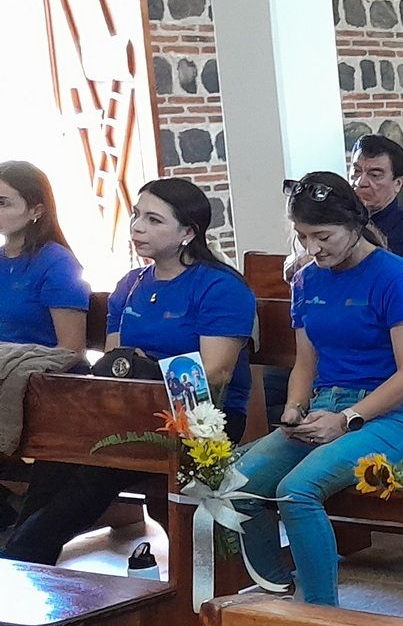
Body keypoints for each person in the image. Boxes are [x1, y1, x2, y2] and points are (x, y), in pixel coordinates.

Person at [4, 179, 255, 564]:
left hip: (199, 417)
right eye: (137, 216)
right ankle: (24, 554)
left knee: (101, 462)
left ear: (188, 232)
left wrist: (147, 370)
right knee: (60, 449)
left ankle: (24, 554)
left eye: (154, 220)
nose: (137, 227)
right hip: (128, 411)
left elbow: (216, 373)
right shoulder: (131, 284)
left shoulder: (220, 287)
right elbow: (115, 363)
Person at [235, 173, 403, 606]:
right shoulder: (307, 280)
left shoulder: (395, 277)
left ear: (355, 224)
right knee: (237, 485)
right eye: (303, 236)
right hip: (324, 409)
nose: (312, 248)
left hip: (391, 416)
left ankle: (321, 612)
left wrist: (346, 419)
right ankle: (278, 589)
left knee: (296, 490)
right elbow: (306, 363)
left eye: (322, 236)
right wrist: (294, 409)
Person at [0, 162, 88, 351]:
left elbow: (72, 350)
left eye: (2, 203)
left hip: (35, 367)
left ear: (36, 211)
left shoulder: (59, 263)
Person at [348, 135, 403, 268]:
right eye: (356, 171)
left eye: (374, 175)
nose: (360, 182)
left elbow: (379, 269)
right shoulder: (341, 218)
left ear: (398, 184)